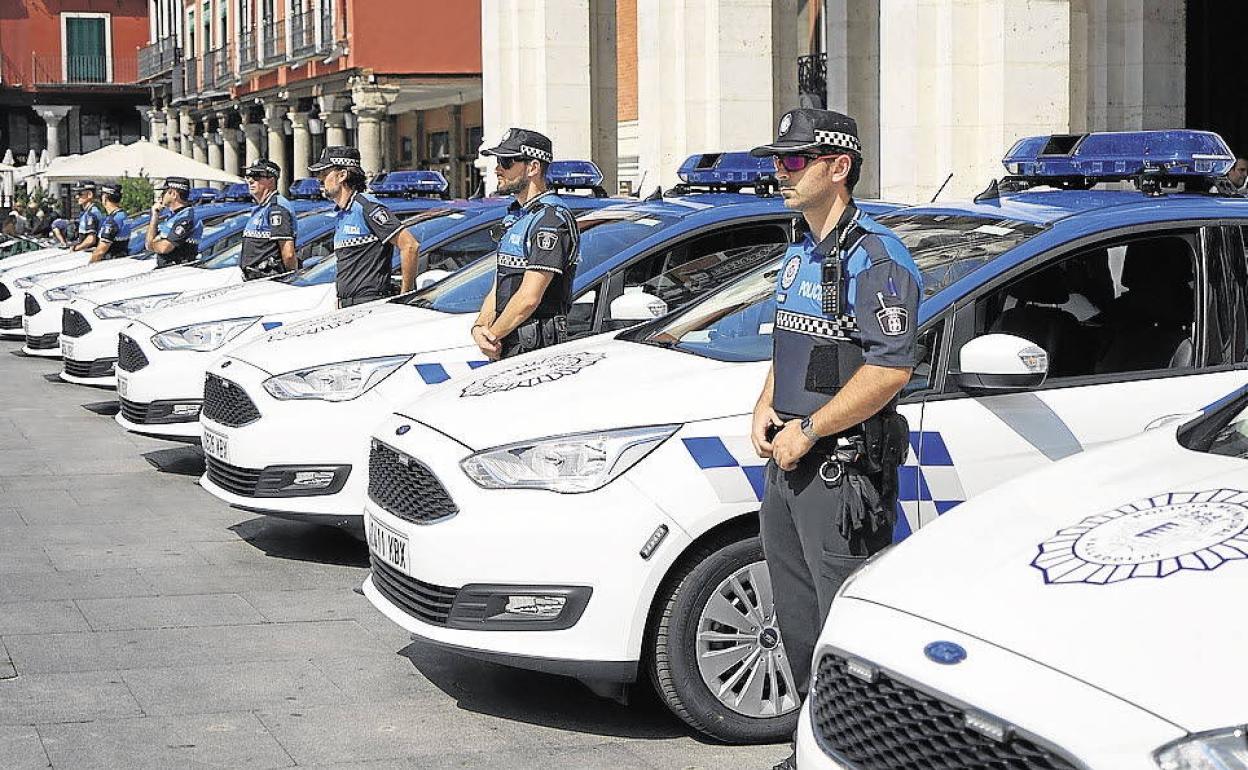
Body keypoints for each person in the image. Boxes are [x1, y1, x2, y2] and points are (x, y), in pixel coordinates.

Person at [748, 109, 922, 770]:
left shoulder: (876, 257)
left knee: (844, 632)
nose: (780, 173)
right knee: (797, 626)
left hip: (839, 473)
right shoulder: (801, 247)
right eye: (779, 161)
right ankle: (810, 748)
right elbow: (793, 344)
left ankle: (856, 756)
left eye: (794, 161)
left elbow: (890, 368)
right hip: (788, 465)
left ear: (838, 166)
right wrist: (765, 404)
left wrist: (814, 428)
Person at [470, 128, 579, 360]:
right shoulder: (518, 216)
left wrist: (493, 336)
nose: (497, 168)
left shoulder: (551, 219)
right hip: (509, 341)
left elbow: (529, 298)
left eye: (506, 162)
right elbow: (500, 283)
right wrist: (480, 328)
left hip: (535, 347)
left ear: (533, 168)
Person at [308, 146, 421, 307]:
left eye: (325, 174)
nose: (320, 179)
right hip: (348, 306)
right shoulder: (343, 211)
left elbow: (410, 246)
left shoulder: (367, 207)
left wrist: (405, 296)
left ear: (342, 175)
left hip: (368, 305)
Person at [239, 159, 297, 280]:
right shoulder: (262, 207)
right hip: (254, 280)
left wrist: (289, 279)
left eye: (257, 176)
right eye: (248, 176)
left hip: (268, 282)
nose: (250, 180)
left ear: (271, 180)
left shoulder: (277, 208)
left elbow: (288, 253)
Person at [144, 176, 202, 267]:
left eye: (164, 192)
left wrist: (151, 245)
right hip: (166, 269)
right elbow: (150, 241)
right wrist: (154, 216)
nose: (161, 196)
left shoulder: (186, 217)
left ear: (174, 194)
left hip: (178, 271)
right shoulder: (173, 216)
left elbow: (164, 248)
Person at [89, 183, 130, 263]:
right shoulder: (123, 215)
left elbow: (100, 252)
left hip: (110, 263)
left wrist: (88, 266)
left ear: (104, 198)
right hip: (121, 260)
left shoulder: (112, 221)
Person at [68, 180, 104, 253]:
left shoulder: (91, 213)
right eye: (76, 193)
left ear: (90, 194)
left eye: (80, 193)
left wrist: (76, 248)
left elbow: (91, 239)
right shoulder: (87, 212)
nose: (77, 196)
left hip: (88, 252)